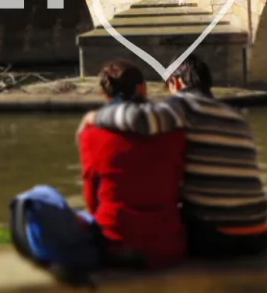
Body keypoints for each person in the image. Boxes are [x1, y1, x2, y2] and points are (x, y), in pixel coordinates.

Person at [82, 55, 267, 258]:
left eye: (168, 87)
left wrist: (96, 117)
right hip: (258, 235)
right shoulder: (236, 117)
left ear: (177, 82)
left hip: (217, 237)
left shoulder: (183, 106)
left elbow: (140, 118)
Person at [76, 60, 190, 268]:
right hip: (168, 242)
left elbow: (92, 198)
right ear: (143, 89)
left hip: (115, 242)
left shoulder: (92, 135)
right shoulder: (174, 131)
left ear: (105, 94)